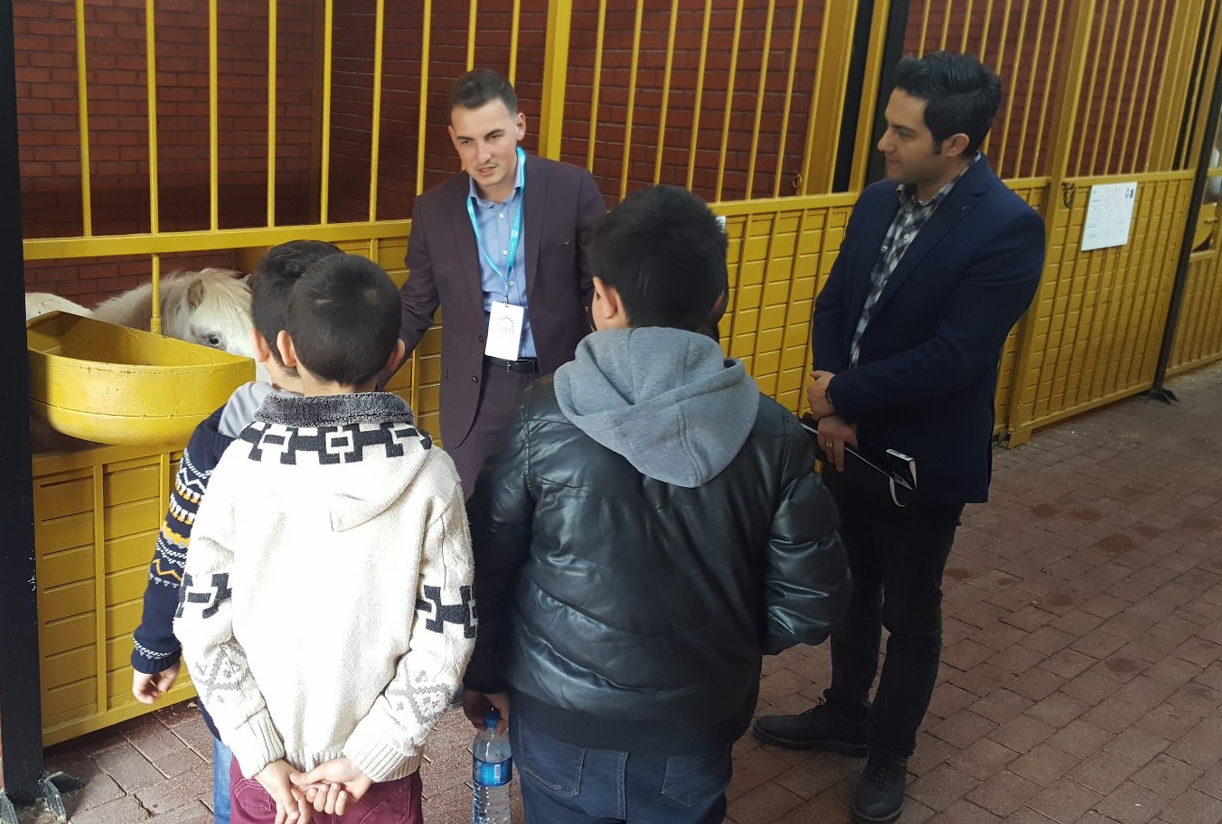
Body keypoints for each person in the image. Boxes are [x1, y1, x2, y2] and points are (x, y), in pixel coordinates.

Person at [463, 185, 851, 823]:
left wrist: (483, 673)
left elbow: (487, 565)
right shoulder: (776, 434)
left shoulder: (541, 416)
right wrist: (727, 643)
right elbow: (811, 604)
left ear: (605, 298)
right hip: (695, 726)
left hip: (559, 721)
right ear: (718, 299)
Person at [753, 52, 1046, 824]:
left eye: (902, 132)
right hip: (845, 441)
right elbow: (833, 303)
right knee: (851, 587)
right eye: (888, 124)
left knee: (911, 611)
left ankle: (890, 751)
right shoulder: (879, 199)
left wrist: (843, 395)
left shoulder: (1007, 227)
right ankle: (845, 711)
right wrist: (831, 404)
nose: (883, 143)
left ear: (956, 143)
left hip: (922, 459)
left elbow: (957, 356)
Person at [174, 254, 477, 824]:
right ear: (395, 356)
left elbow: (201, 623)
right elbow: (448, 634)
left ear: (285, 349)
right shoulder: (431, 475)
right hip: (376, 784)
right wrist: (373, 753)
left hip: (270, 783)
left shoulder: (239, 467)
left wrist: (262, 752)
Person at [130, 239, 345, 824]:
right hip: (356, 705)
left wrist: (157, 643)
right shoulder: (404, 451)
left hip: (249, 697)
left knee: (245, 797)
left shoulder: (220, 437)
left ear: (261, 343)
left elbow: (180, 548)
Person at [398, 67, 606, 497]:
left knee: (561, 507)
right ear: (452, 138)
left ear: (519, 126)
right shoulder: (434, 210)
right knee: (477, 512)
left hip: (560, 379)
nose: (482, 156)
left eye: (493, 136)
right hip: (478, 390)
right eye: (466, 142)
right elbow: (416, 302)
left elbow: (599, 286)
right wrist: (371, 366)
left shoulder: (571, 189)